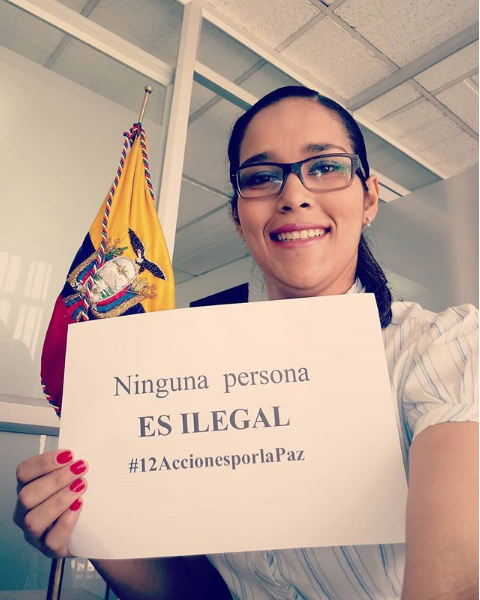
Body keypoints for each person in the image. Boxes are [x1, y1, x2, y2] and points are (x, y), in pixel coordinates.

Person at [14, 86, 478, 600]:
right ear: (239, 217)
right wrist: (91, 529)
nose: (294, 194)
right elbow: (194, 593)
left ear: (368, 198)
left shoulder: (444, 346)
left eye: (325, 166)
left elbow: (457, 580)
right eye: (260, 177)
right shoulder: (187, 379)